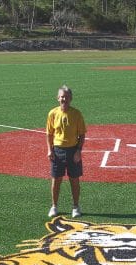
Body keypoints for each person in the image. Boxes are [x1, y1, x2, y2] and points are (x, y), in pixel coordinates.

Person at [46, 85, 86, 218]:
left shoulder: (77, 114)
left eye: (67, 97)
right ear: (58, 98)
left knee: (74, 180)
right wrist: (50, 150)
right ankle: (54, 206)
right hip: (57, 151)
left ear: (71, 98)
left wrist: (78, 151)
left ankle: (76, 206)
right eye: (62, 96)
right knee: (56, 180)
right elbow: (49, 134)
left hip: (73, 151)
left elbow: (82, 134)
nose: (65, 99)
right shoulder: (52, 113)